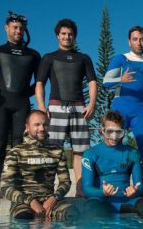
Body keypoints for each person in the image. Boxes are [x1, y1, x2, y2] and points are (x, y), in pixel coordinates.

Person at [0, 11, 40, 198]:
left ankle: (17, 184)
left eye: (21, 28)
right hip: (0, 105)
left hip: (21, 105)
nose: (18, 31)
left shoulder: (33, 55)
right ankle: (1, 186)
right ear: (6, 28)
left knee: (19, 145)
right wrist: (0, 94)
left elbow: (39, 82)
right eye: (15, 28)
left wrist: (23, 95)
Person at [35, 19, 97, 194]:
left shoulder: (83, 58)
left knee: (81, 151)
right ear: (57, 36)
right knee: (53, 151)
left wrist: (92, 103)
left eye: (70, 34)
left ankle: (80, 190)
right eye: (63, 34)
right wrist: (41, 107)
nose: (67, 37)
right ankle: (49, 190)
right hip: (56, 108)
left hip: (79, 108)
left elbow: (92, 81)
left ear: (74, 37)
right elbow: (39, 83)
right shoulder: (49, 58)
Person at [103, 26, 143, 169]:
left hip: (139, 108)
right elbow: (105, 82)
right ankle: (112, 183)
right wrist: (121, 80)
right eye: (135, 39)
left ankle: (142, 186)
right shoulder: (120, 59)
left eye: (142, 39)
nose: (139, 43)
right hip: (120, 107)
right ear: (129, 41)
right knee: (113, 143)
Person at [0, 110, 76, 220]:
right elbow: (5, 187)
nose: (42, 128)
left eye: (45, 124)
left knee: (72, 214)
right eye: (37, 125)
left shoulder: (57, 151)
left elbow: (65, 182)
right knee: (24, 219)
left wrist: (54, 198)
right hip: (23, 204)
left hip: (50, 202)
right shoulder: (15, 152)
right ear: (27, 126)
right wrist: (31, 201)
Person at [81, 111, 143, 217]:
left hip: (127, 200)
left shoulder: (133, 153)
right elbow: (87, 188)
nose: (114, 137)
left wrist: (135, 190)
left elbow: (140, 186)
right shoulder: (90, 154)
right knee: (93, 213)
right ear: (102, 131)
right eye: (110, 132)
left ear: (123, 131)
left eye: (118, 132)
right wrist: (103, 192)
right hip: (101, 200)